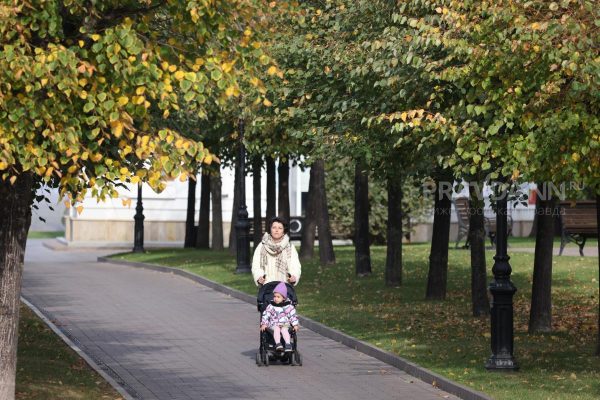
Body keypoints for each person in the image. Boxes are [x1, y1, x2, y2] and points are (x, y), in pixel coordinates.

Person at [252, 217, 301, 286]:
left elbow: (295, 266)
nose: (276, 230)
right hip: (267, 287)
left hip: (284, 288)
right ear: (270, 229)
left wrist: (294, 277)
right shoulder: (262, 246)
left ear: (284, 231)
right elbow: (256, 266)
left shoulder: (290, 247)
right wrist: (259, 277)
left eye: (280, 228)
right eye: (274, 227)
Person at [260, 281, 299, 352]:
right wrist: (264, 324)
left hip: (285, 324)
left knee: (284, 330)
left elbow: (292, 316)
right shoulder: (271, 306)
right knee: (277, 329)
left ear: (283, 298)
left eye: (278, 297)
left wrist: (295, 324)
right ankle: (278, 344)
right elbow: (266, 314)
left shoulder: (288, 306)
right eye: (274, 296)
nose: (275, 298)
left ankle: (288, 344)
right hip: (274, 324)